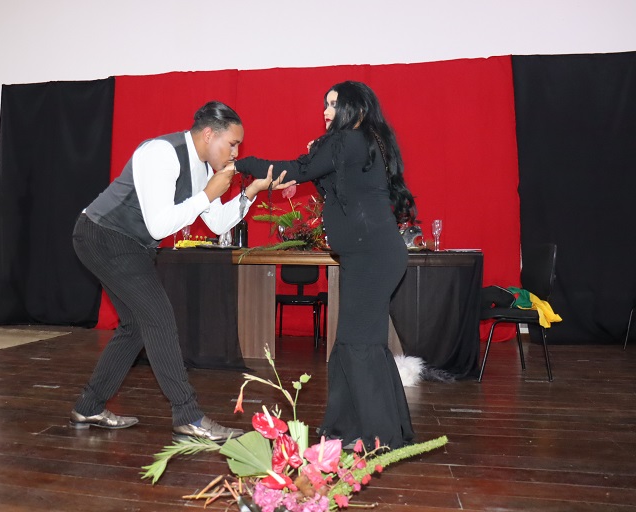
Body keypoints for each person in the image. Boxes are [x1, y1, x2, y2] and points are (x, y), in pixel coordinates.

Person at [70, 101, 293, 440]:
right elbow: (159, 226)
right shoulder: (161, 153)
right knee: (158, 318)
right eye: (232, 144)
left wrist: (252, 191)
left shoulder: (202, 168)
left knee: (136, 326)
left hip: (129, 244)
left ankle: (89, 406)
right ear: (209, 134)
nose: (236, 153)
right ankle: (188, 416)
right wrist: (207, 194)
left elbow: (217, 224)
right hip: (102, 235)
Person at [235, 81, 416, 450]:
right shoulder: (365, 141)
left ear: (357, 109)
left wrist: (240, 164)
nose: (326, 111)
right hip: (370, 255)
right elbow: (339, 193)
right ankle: (351, 430)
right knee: (354, 342)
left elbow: (290, 169)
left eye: (334, 104)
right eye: (325, 104)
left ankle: (380, 437)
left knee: (359, 344)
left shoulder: (348, 140)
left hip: (372, 257)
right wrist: (316, 164)